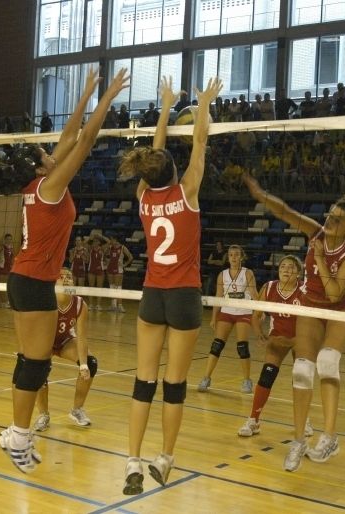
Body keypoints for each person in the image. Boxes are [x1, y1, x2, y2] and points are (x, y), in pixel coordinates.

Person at [0, 67, 129, 474]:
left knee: (31, 360)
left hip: (26, 278)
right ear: (40, 167)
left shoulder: (35, 187)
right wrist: (106, 99)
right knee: (35, 364)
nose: (51, 152)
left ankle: (16, 433)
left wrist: (85, 94)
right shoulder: (49, 187)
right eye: (44, 154)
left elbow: (70, 135)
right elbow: (84, 140)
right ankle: (19, 437)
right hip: (34, 281)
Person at [118, 75, 222, 495]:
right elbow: (200, 142)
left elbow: (155, 155)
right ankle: (165, 458)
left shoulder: (144, 195)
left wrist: (164, 107)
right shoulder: (189, 191)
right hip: (183, 298)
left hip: (152, 296)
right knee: (173, 385)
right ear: (173, 172)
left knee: (144, 381)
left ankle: (131, 460)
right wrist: (203, 105)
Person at [241, 172, 345, 473]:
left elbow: (334, 294)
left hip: (340, 307)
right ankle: (298, 441)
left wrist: (319, 259)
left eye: (337, 219)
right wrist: (262, 195)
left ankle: (330, 437)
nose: (329, 222)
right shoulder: (316, 232)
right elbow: (286, 213)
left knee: (328, 361)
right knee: (303, 370)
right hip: (311, 305)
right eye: (329, 216)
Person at [238, 255, 313, 438]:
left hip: (300, 338)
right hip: (277, 338)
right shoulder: (269, 287)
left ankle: (304, 421)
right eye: (283, 267)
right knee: (266, 376)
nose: (286, 270)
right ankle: (253, 420)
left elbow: (315, 320)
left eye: (291, 267)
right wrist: (259, 334)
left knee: (301, 378)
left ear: (298, 272)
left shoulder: (305, 289)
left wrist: (300, 341)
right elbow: (256, 315)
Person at [32, 269, 97, 431]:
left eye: (69, 276)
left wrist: (83, 365)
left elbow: (82, 337)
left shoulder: (80, 304)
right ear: (54, 282)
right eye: (61, 277)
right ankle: (43, 415)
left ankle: (77, 410)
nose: (66, 279)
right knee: (40, 370)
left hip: (64, 341)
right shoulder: (46, 300)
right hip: (43, 340)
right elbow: (37, 331)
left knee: (91, 363)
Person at [197, 245, 258, 394]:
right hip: (226, 311)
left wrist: (259, 313)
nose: (234, 258)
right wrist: (213, 318)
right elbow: (218, 297)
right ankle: (206, 378)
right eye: (231, 255)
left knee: (242, 347)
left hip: (243, 311)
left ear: (241, 257)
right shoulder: (222, 275)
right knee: (216, 346)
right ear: (228, 257)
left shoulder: (247, 273)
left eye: (237, 255)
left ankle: (247, 381)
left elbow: (254, 294)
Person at [105, 235, 133, 313]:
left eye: (111, 240)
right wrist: (107, 260)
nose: (110, 241)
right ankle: (113, 305)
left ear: (115, 240)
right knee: (112, 287)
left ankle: (120, 306)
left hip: (118, 270)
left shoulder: (122, 248)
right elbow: (105, 256)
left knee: (118, 288)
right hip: (110, 268)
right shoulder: (110, 247)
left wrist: (124, 265)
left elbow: (130, 257)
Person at [0, 233, 15, 308]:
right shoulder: (1, 247)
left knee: (8, 287)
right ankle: (3, 303)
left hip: (9, 269)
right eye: (7, 239)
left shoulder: (11, 247)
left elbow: (12, 257)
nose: (9, 240)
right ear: (5, 239)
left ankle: (7, 302)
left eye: (10, 239)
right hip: (2, 268)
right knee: (1, 286)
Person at [86, 235, 107, 311]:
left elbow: (109, 242)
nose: (95, 242)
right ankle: (90, 304)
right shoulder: (90, 248)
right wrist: (91, 237)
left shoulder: (102, 249)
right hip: (91, 269)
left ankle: (98, 305)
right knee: (91, 287)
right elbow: (84, 243)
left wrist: (101, 236)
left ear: (99, 242)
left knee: (99, 288)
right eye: (94, 241)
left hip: (100, 270)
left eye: (97, 241)